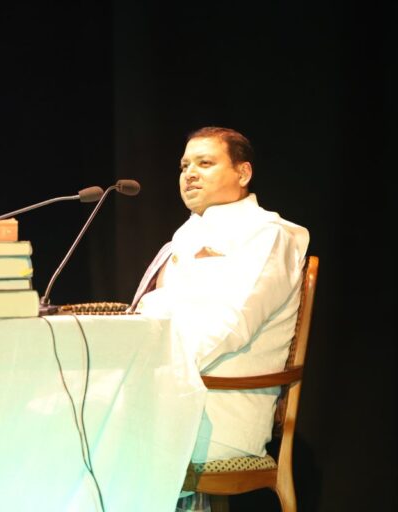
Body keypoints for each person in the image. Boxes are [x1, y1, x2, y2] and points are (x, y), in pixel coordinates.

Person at [130, 127, 309, 511]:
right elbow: (153, 311)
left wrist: (144, 368)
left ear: (243, 174)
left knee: (96, 437)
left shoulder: (267, 235)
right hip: (170, 390)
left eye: (205, 163)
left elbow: (229, 324)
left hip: (221, 403)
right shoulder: (186, 234)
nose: (189, 173)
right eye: (184, 165)